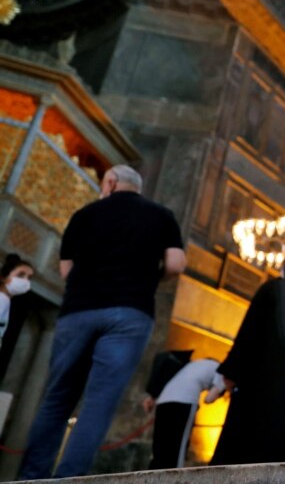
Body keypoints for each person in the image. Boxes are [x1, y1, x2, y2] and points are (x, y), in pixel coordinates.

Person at [18, 165, 186, 480]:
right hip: (130, 312)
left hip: (79, 310)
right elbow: (176, 264)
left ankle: (31, 477)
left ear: (109, 182)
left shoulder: (84, 214)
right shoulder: (162, 215)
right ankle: (69, 479)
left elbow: (67, 272)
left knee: (57, 398)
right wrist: (149, 277)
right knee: (98, 403)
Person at [210, 250, 285, 465]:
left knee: (243, 453)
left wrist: (232, 371)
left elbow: (248, 334)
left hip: (257, 385)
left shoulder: (272, 290)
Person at [143, 356, 226, 469]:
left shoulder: (194, 364)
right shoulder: (221, 370)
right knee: (177, 449)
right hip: (184, 402)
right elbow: (209, 398)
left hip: (163, 401)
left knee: (160, 449)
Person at [0, 253, 33, 348]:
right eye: (20, 275)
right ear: (3, 277)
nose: (25, 281)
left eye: (29, 278)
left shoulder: (5, 300)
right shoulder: (2, 299)